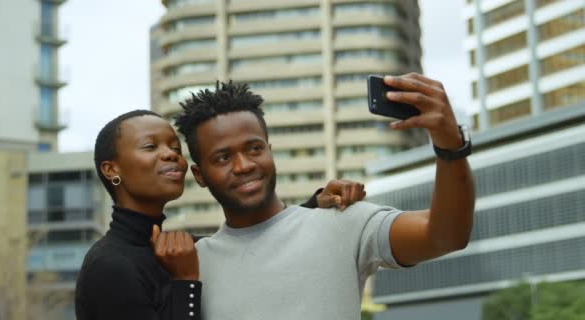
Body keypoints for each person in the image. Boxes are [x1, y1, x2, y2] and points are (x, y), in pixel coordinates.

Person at [171, 73, 475, 319]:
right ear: (199, 175)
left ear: (269, 150)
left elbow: (445, 236)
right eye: (223, 158)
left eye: (254, 148)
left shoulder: (344, 221)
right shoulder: (192, 265)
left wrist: (451, 146)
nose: (244, 165)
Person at [74, 110, 366, 320]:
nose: (171, 155)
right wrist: (186, 283)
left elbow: (245, 242)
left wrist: (314, 205)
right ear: (112, 169)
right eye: (151, 147)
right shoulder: (109, 266)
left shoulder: (177, 249)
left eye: (175, 148)